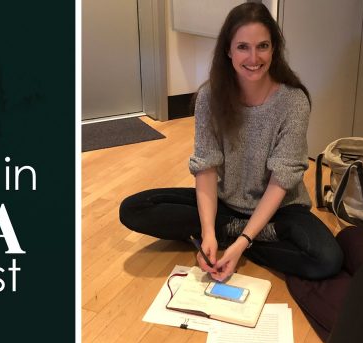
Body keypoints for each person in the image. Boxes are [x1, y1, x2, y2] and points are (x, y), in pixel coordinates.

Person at [119, 2, 342, 281]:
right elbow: (206, 168)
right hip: (225, 205)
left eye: (262, 46)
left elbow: (281, 181)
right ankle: (228, 234)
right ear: (228, 50)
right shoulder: (209, 98)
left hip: (280, 210)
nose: (253, 57)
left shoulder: (293, 102)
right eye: (242, 47)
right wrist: (209, 232)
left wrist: (241, 243)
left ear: (274, 48)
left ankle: (235, 240)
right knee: (133, 209)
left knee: (326, 259)